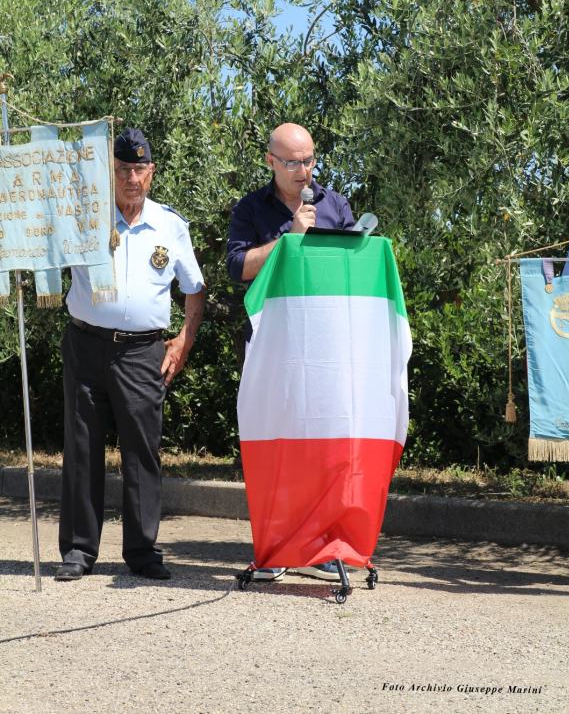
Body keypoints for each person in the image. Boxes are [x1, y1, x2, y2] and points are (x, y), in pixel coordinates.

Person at [55, 128, 205, 582]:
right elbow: (41, 252)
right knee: (81, 448)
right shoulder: (83, 218)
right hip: (85, 345)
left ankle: (142, 552)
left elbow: (195, 291)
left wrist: (184, 341)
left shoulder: (170, 226)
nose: (132, 178)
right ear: (110, 173)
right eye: (123, 170)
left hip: (143, 351)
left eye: (140, 169)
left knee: (142, 450)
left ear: (152, 173)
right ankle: (79, 551)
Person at [227, 122, 355, 582]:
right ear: (271, 162)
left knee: (323, 444)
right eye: (294, 163)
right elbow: (238, 267)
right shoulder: (251, 209)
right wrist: (288, 241)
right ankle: (278, 546)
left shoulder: (335, 204)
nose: (305, 171)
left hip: (325, 345)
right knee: (277, 444)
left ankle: (322, 548)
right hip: (271, 346)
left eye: (310, 160)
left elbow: (354, 265)